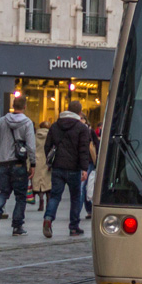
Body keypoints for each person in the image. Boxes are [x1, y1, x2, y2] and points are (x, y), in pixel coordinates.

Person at [43, 100, 93, 238]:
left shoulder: (55, 126)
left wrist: (51, 161)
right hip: (74, 168)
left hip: (58, 167)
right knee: (75, 197)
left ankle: (48, 218)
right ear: (79, 112)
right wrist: (84, 168)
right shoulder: (81, 128)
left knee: (55, 196)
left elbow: (47, 146)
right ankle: (74, 227)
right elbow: (83, 150)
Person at [0, 97, 36, 236]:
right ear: (25, 106)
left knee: (4, 192)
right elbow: (31, 146)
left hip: (3, 162)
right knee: (20, 196)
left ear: (12, 106)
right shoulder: (27, 123)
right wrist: (32, 164)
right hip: (18, 163)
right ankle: (17, 226)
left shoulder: (2, 121)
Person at [33, 120, 52, 212]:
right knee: (48, 184)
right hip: (47, 161)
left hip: (37, 161)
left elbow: (31, 149)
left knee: (39, 184)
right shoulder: (51, 136)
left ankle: (41, 202)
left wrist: (29, 164)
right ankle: (49, 203)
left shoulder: (34, 136)